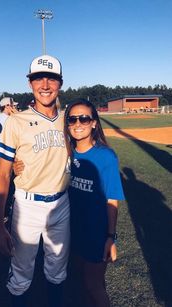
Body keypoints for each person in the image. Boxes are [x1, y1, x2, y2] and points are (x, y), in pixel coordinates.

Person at [0, 55, 70, 307]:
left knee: (57, 269)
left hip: (62, 203)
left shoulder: (70, 120)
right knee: (21, 274)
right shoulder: (16, 121)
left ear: (60, 83)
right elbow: (3, 174)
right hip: (27, 205)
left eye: (52, 79)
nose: (45, 85)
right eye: (38, 78)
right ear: (30, 84)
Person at [64, 98, 125, 307]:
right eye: (72, 119)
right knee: (80, 281)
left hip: (95, 233)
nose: (78, 124)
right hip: (70, 230)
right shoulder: (65, 152)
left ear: (94, 123)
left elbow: (112, 200)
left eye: (84, 118)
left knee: (93, 285)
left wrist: (110, 237)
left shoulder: (106, 156)